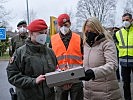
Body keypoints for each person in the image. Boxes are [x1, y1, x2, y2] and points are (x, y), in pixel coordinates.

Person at [6, 19, 57, 100]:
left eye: (45, 33)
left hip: (49, 97)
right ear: (30, 33)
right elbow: (12, 76)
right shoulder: (20, 53)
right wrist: (33, 81)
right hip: (28, 97)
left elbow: (55, 71)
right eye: (40, 33)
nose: (43, 36)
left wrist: (62, 82)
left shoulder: (50, 52)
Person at [79, 17, 122, 100]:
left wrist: (94, 73)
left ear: (97, 29)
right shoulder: (86, 45)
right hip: (88, 93)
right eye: (86, 32)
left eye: (91, 31)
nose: (89, 34)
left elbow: (112, 65)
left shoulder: (107, 43)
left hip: (106, 93)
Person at [50, 13, 84, 100]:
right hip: (60, 78)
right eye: (61, 25)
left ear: (70, 23)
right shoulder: (53, 40)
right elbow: (50, 60)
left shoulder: (78, 38)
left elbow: (84, 56)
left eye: (65, 25)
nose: (63, 27)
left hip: (76, 77)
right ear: (58, 25)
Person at [115, 13, 133, 100]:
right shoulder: (118, 33)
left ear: (131, 20)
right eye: (123, 20)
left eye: (127, 20)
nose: (125, 22)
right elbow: (118, 45)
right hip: (123, 62)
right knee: (126, 84)